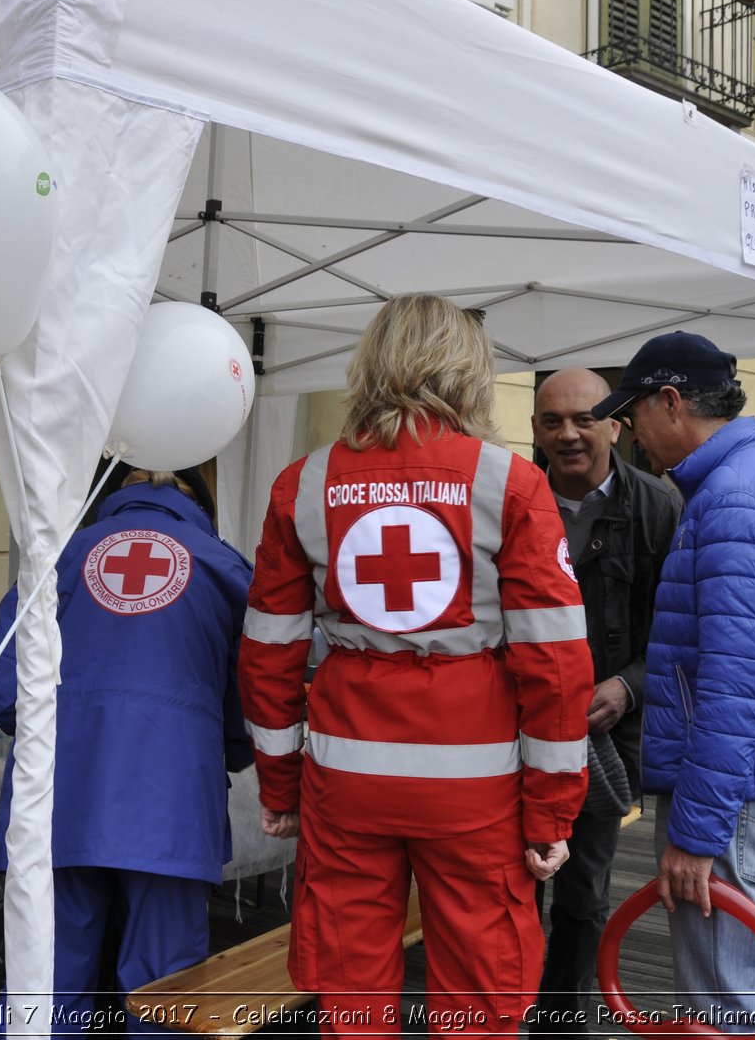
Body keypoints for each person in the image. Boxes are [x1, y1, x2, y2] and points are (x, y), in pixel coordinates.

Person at [239, 294, 593, 1036]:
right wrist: (551, 808)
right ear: (472, 372)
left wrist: (279, 783)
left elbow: (269, 651)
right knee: (479, 989)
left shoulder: (304, 484)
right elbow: (555, 664)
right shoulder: (510, 484)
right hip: (475, 787)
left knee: (352, 987)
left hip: (346, 781)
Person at [591, 330, 755, 1033]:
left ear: (670, 402)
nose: (628, 430)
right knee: (743, 977)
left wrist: (698, 833)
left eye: (632, 410)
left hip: (736, 787)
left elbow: (735, 684)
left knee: (722, 999)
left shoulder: (735, 502)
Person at [0, 468, 254, 1037]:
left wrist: (64, 734)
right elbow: (255, 695)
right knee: (164, 985)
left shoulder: (57, 557)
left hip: (59, 795)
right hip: (173, 801)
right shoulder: (226, 566)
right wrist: (224, 748)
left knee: (45, 974)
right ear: (198, 500)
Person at [528, 369, 680, 1037]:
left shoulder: (658, 509)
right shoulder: (512, 499)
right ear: (534, 427)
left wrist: (627, 687)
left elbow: (683, 633)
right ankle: (506, 1014)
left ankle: (561, 1024)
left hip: (602, 741)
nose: (567, 433)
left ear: (615, 423)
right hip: (514, 735)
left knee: (584, 888)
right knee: (510, 885)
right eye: (551, 420)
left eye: (584, 418)